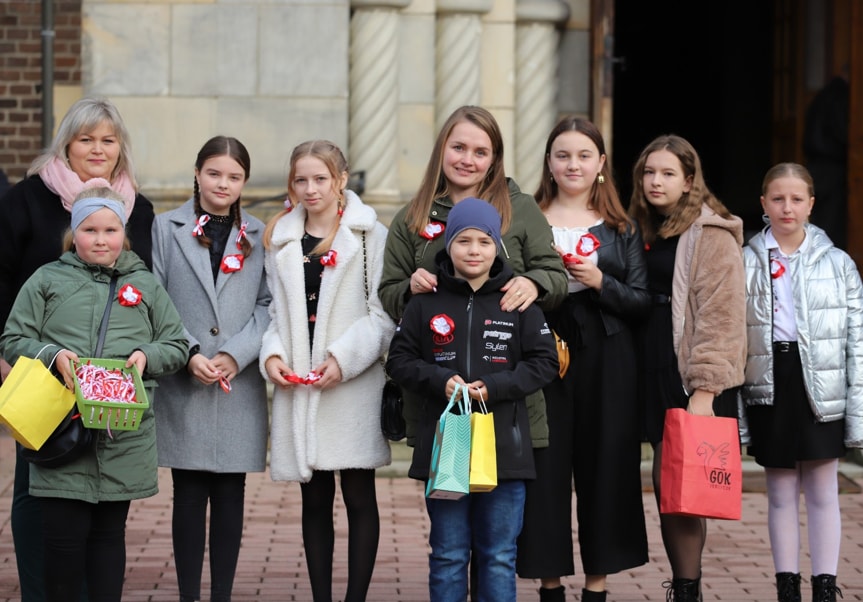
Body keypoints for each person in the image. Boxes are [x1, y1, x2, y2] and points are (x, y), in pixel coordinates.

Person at [0, 96, 155, 602]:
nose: (97, 148)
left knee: (101, 491)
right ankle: (41, 592)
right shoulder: (28, 199)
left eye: (107, 140)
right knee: (36, 482)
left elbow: (143, 286)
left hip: (108, 376)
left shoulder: (139, 208)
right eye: (85, 138)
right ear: (66, 143)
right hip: (42, 368)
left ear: (120, 148)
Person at [386, 197, 559, 602]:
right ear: (448, 244)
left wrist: (495, 387)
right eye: (464, 240)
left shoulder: (518, 301)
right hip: (447, 444)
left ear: (497, 245)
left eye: (484, 240)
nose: (474, 250)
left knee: (498, 555)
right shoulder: (425, 301)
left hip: (504, 447)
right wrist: (440, 380)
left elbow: (544, 362)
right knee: (447, 554)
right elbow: (399, 359)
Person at [379, 104, 568, 449]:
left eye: (481, 152)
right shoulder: (413, 216)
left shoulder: (521, 209)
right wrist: (409, 288)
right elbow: (388, 291)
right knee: (447, 495)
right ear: (442, 150)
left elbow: (556, 277)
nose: (467, 159)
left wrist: (534, 281)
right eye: (459, 148)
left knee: (506, 498)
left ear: (494, 159)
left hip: (506, 391)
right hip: (438, 389)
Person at [516, 117, 649, 602]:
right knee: (544, 465)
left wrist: (599, 282)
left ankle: (597, 587)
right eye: (563, 155)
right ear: (549, 163)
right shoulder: (525, 219)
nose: (573, 164)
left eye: (583, 155)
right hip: (541, 349)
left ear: (600, 164)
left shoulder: (621, 226)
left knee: (607, 464)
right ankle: (549, 585)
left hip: (608, 351)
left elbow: (640, 302)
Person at [260, 140, 394, 602]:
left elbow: (383, 315)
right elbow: (274, 313)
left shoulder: (369, 236)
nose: (310, 189)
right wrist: (273, 355)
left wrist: (344, 358)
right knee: (313, 500)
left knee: (359, 496)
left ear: (340, 179)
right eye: (301, 180)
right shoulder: (280, 239)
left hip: (351, 385)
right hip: (301, 384)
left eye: (320, 178)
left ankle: (355, 596)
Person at [151, 136, 271, 602]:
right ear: (198, 172)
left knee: (230, 493)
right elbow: (155, 299)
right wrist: (190, 351)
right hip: (187, 377)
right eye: (214, 173)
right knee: (188, 491)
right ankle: (188, 594)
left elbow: (267, 305)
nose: (224, 183)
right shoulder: (166, 228)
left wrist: (235, 354)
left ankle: (221, 593)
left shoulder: (260, 235)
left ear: (244, 181)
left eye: (234, 176)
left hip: (237, 381)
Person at [628, 134, 746, 601]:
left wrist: (705, 389)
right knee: (662, 485)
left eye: (668, 173)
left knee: (676, 482)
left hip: (686, 372)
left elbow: (723, 315)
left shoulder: (710, 234)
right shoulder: (634, 227)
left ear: (689, 180)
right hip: (641, 362)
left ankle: (687, 588)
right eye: (648, 172)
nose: (655, 181)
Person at [740, 162, 861, 602]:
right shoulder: (746, 259)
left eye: (796, 199)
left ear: (811, 204)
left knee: (823, 486)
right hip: (771, 379)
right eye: (777, 199)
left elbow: (857, 340)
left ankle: (825, 585)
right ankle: (787, 584)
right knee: (780, 488)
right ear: (763, 205)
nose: (786, 208)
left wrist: (857, 406)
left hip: (822, 384)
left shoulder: (839, 263)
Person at [803, 71, 849, 250]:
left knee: (819, 220)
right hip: (832, 168)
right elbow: (843, 131)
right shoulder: (840, 96)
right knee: (830, 224)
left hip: (817, 167)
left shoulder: (822, 95)